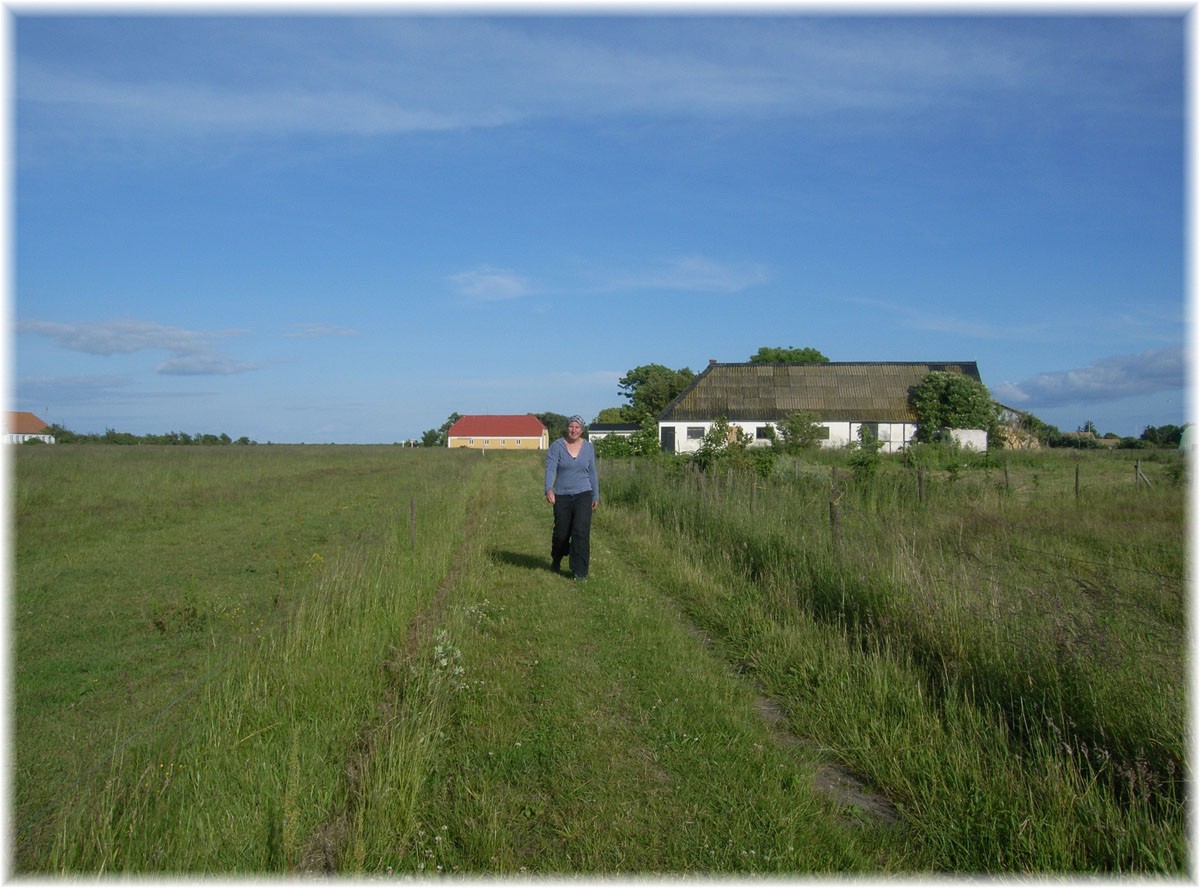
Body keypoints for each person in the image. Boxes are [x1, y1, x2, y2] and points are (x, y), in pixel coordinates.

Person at [544, 415, 599, 579]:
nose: (574, 430)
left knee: (581, 531)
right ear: (567, 428)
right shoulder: (557, 446)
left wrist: (596, 494)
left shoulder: (588, 448)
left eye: (577, 427)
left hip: (584, 493)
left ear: (582, 430)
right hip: (562, 494)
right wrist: (548, 489)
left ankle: (580, 571)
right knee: (561, 533)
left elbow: (592, 472)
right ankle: (557, 558)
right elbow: (550, 469)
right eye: (571, 427)